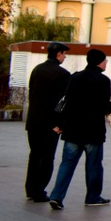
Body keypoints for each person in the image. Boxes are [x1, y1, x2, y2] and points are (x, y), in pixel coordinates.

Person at [48, 49, 111, 209]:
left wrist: (61, 123)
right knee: (93, 165)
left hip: (72, 130)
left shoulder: (74, 77)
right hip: (93, 131)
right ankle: (93, 197)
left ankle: (56, 196)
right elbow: (103, 104)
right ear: (99, 62)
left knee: (67, 163)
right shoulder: (103, 81)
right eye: (105, 61)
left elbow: (66, 101)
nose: (106, 63)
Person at [24, 42, 72, 202]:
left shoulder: (37, 70)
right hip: (50, 124)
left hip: (34, 121)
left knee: (34, 155)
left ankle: (30, 189)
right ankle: (39, 190)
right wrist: (60, 124)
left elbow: (33, 95)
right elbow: (63, 102)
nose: (65, 57)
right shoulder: (63, 74)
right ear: (58, 54)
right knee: (47, 158)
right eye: (64, 54)